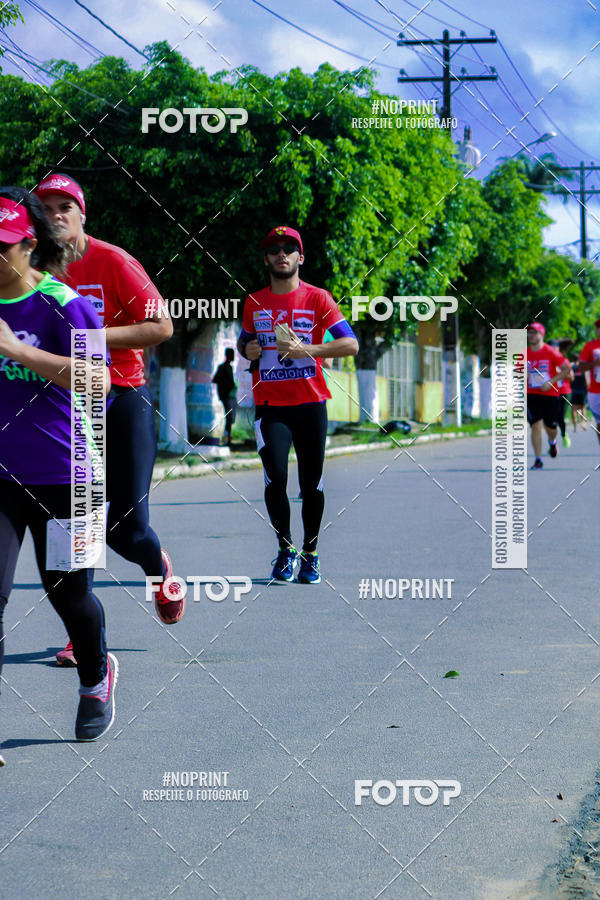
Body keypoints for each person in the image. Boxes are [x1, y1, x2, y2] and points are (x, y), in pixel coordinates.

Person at [35, 174, 185, 667]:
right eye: (46, 207)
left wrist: (91, 337)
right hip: (67, 408)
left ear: (82, 214)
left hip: (122, 398)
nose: (56, 214)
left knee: (126, 530)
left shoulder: (113, 261)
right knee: (77, 525)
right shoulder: (28, 271)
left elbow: (161, 325)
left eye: (65, 206)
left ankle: (158, 568)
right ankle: (83, 634)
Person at [0, 186, 116, 742]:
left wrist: (19, 351)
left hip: (70, 475)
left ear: (29, 244)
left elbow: (99, 383)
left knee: (69, 596)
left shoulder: (68, 306)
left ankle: (95, 675)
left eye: (4, 245)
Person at [238, 225, 358, 583]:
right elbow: (245, 343)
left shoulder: (319, 298)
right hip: (271, 406)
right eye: (274, 249)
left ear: (300, 257)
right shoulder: (254, 302)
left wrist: (309, 349)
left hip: (310, 405)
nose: (281, 254)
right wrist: (249, 349)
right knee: (275, 479)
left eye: (289, 248)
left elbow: (350, 344)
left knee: (312, 486)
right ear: (266, 259)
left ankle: (311, 553)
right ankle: (285, 550)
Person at [526, 322, 570, 470]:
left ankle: (552, 442)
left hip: (550, 394)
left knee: (550, 427)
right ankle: (538, 459)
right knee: (535, 425)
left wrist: (551, 382)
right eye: (529, 333)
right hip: (531, 394)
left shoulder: (551, 352)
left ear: (541, 335)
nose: (531, 335)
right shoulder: (524, 353)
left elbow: (566, 369)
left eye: (534, 332)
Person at [576, 318, 600, 446]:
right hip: (596, 392)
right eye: (599, 327)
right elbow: (581, 367)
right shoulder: (590, 346)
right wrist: (596, 363)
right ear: (597, 330)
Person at [212, 348, 237, 446]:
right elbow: (215, 379)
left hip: (231, 396)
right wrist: (228, 384)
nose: (233, 357)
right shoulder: (222, 367)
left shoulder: (230, 367)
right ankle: (227, 440)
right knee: (229, 417)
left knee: (231, 418)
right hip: (225, 396)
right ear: (227, 355)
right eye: (231, 354)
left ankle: (228, 438)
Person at [570, 355, 588, 431]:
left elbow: (570, 379)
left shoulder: (572, 368)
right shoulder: (583, 368)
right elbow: (586, 379)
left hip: (574, 390)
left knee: (574, 408)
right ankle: (583, 422)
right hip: (582, 390)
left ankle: (575, 425)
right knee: (583, 407)